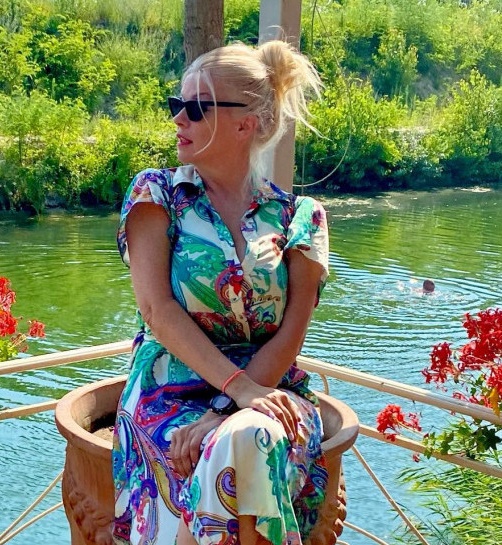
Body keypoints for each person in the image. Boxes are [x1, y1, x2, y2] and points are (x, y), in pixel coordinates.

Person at [113, 40, 330, 545]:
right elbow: (157, 310)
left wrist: (229, 406)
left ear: (244, 123)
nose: (178, 119)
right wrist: (236, 390)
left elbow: (291, 335)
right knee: (240, 445)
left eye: (196, 107)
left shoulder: (300, 217)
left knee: (249, 436)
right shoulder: (157, 195)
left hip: (269, 392)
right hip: (168, 393)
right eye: (178, 104)